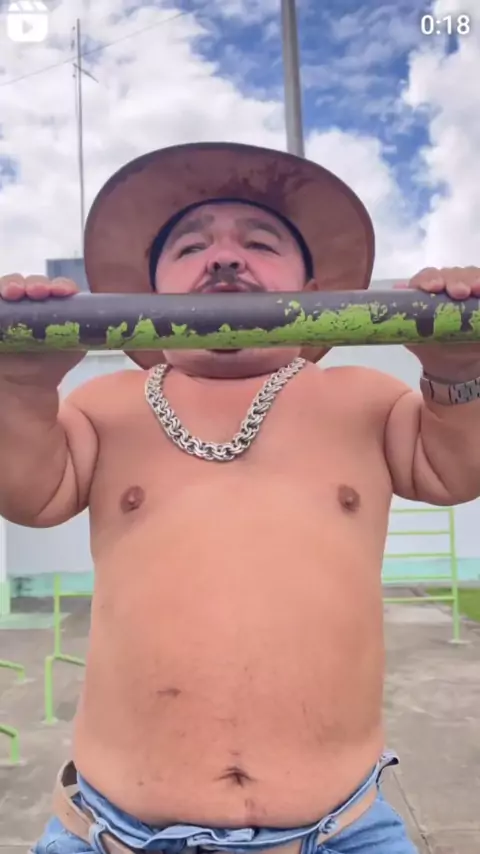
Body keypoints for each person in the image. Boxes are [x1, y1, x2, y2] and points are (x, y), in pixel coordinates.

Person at [1, 142, 480, 854]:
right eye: (192, 247)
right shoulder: (106, 406)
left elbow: (455, 471)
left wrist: (457, 368)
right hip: (114, 832)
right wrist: (22, 387)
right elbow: (30, 496)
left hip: (339, 829)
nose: (224, 259)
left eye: (259, 243)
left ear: (313, 290)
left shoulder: (363, 400)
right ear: (148, 293)